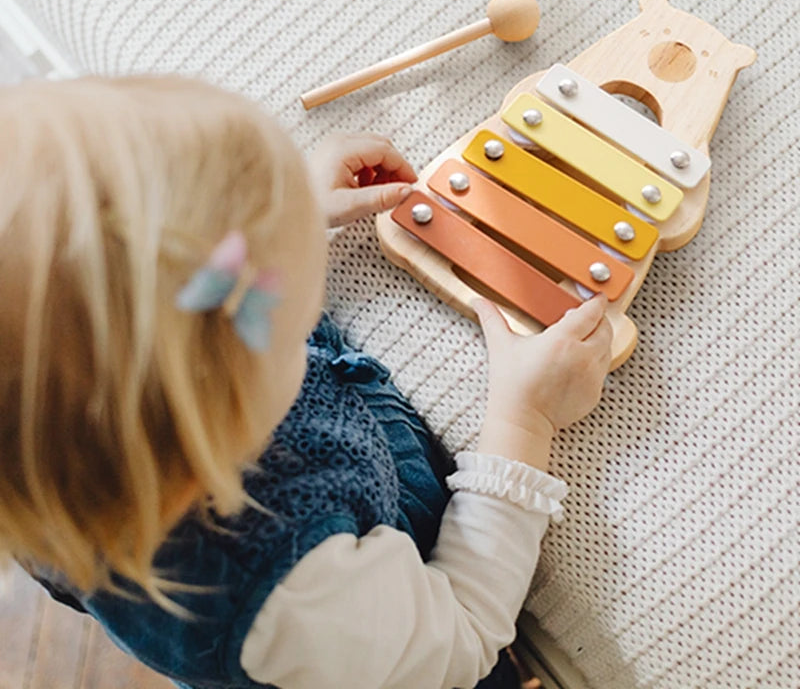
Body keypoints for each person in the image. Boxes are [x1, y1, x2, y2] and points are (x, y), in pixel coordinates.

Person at [0, 75, 612, 689]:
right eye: (253, 280)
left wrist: (286, 218)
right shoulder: (288, 594)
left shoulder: (57, 458)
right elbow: (464, 631)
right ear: (224, 401)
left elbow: (156, 300)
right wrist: (522, 418)